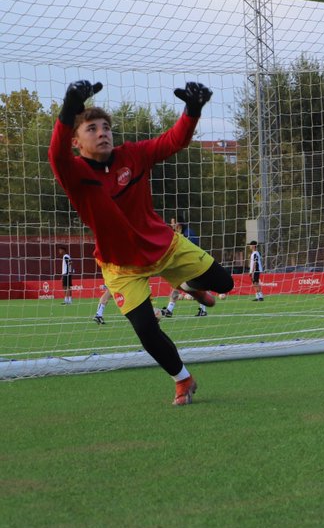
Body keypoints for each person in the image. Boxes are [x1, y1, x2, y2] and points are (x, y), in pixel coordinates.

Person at [48, 79, 234, 405]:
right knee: (147, 330)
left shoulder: (132, 154)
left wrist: (192, 110)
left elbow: (172, 141)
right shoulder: (73, 172)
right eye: (91, 128)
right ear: (76, 142)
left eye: (106, 127)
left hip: (165, 245)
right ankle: (182, 379)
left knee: (225, 283)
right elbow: (54, 152)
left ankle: (188, 285)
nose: (103, 132)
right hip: (121, 265)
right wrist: (67, 108)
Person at [163, 217, 209, 317]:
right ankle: (169, 310)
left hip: (192, 264)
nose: (171, 225)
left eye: (173, 223)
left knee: (196, 286)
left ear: (178, 224)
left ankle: (203, 309)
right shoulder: (175, 234)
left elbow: (193, 247)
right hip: (182, 265)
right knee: (176, 286)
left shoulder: (189, 233)